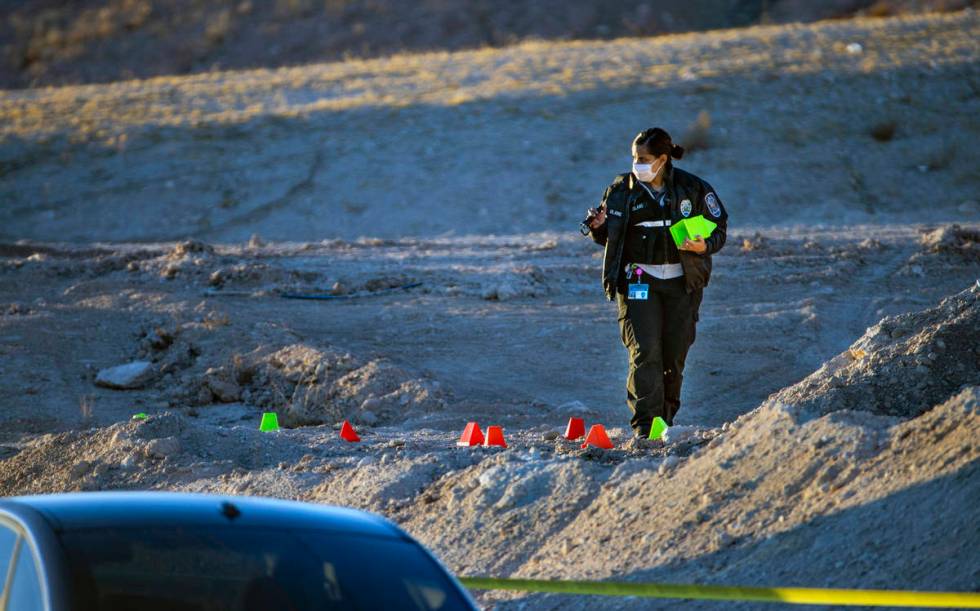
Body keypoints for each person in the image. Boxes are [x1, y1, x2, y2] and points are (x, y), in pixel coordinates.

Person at [584, 127, 728, 441]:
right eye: (635, 158)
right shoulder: (621, 189)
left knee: (673, 354)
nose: (638, 164)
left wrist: (704, 246)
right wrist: (598, 228)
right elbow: (610, 235)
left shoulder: (693, 188)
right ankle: (646, 428)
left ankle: (665, 424)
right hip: (638, 282)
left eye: (644, 159)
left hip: (682, 284)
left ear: (662, 159)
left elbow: (719, 226)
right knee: (644, 351)